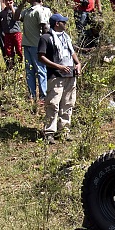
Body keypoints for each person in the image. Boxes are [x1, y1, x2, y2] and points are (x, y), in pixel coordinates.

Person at [38, 14, 81, 144]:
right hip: (55, 76)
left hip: (70, 75)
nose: (65, 24)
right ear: (57, 23)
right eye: (63, 22)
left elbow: (71, 51)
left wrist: (78, 64)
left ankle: (64, 132)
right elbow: (41, 56)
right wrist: (58, 66)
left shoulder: (65, 37)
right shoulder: (46, 38)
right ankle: (49, 132)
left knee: (68, 103)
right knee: (53, 104)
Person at [15, 0, 50, 104]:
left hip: (37, 45)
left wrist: (45, 44)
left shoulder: (39, 10)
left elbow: (44, 27)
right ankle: (32, 94)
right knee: (29, 71)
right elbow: (16, 18)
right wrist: (21, 4)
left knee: (40, 70)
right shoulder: (27, 11)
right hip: (27, 44)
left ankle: (43, 96)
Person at [0, 0, 23, 68]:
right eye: (6, 1)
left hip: (16, 32)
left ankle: (20, 65)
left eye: (10, 0)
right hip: (7, 33)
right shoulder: (2, 13)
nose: (8, 2)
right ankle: (11, 65)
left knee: (19, 49)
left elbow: (16, 16)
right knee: (8, 51)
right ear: (4, 2)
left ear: (13, 1)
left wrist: (12, 7)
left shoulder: (16, 9)